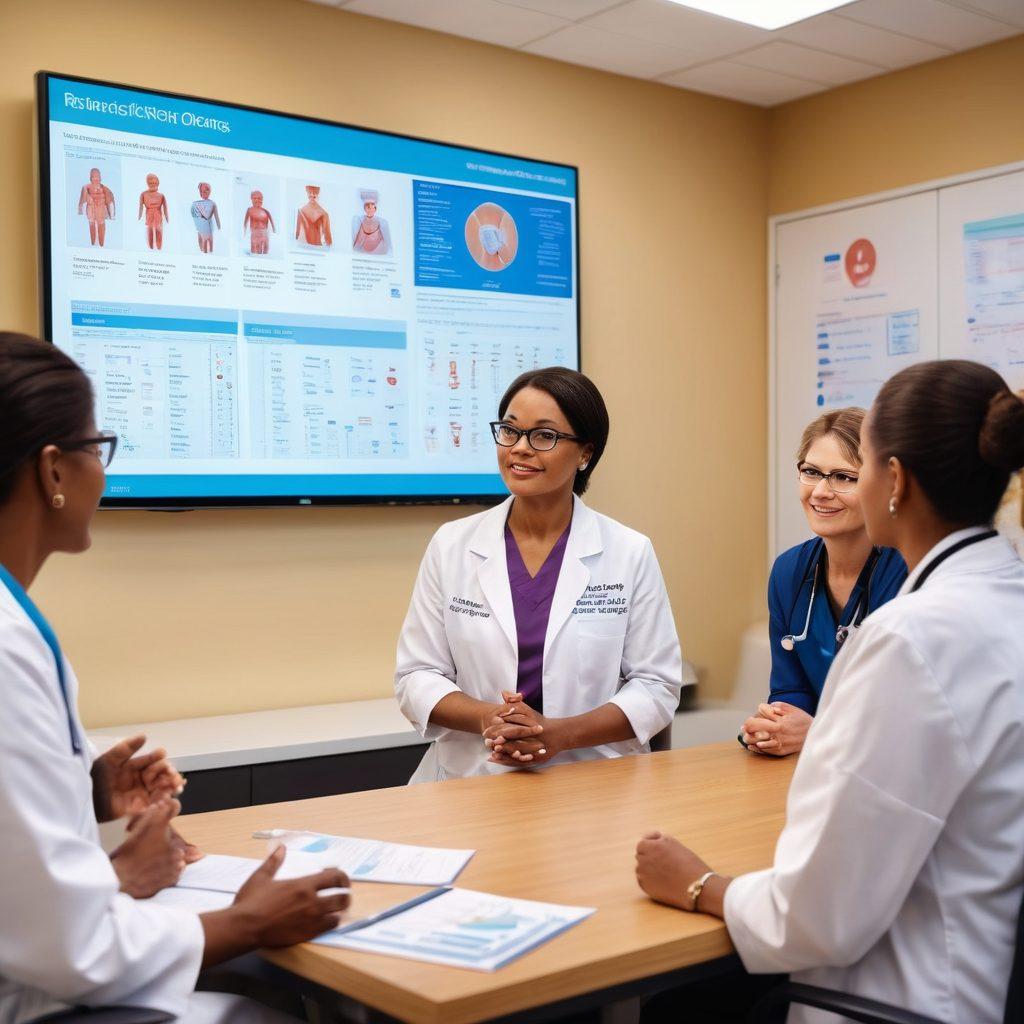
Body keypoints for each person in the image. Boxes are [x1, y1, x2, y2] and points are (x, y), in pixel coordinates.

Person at [636, 360, 1024, 1023]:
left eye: (855, 469)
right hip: (976, 963)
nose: (830, 489)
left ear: (893, 480)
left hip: (898, 996)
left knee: (677, 1002)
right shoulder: (1002, 597)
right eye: (812, 472)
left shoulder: (910, 637)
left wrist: (701, 884)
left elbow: (820, 914)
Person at [0, 333, 351, 1023]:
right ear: (53, 472)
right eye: (96, 448)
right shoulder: (7, 646)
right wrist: (247, 922)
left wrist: (83, 788)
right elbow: (73, 952)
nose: (102, 472)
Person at [395, 366, 682, 782]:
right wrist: (490, 719)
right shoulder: (452, 544)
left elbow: (656, 686)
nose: (520, 449)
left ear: (585, 453)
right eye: (509, 431)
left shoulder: (628, 551)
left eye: (544, 436)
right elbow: (416, 675)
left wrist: (559, 735)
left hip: (592, 781)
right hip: (473, 779)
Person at [740, 409, 906, 757]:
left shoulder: (907, 572)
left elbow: (909, 712)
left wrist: (818, 731)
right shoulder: (789, 572)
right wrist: (775, 724)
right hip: (818, 770)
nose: (820, 491)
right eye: (811, 472)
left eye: (844, 477)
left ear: (884, 483)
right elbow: (791, 688)